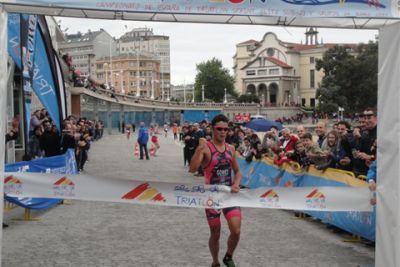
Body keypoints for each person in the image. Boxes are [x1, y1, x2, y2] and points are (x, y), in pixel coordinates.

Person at [189, 114, 242, 267]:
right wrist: (199, 148)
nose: (223, 132)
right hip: (211, 197)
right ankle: (215, 261)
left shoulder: (231, 149)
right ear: (213, 129)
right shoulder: (206, 148)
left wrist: (236, 184)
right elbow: (192, 169)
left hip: (228, 196)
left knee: (236, 230)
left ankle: (228, 256)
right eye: (219, 129)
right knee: (215, 232)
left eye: (226, 129)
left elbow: (238, 172)